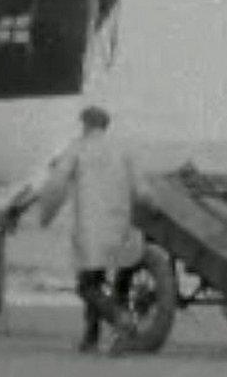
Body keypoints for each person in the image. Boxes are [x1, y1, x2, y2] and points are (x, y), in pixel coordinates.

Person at [34, 106, 144, 355]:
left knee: (87, 286)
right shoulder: (123, 150)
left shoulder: (77, 148)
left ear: (85, 124)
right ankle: (91, 338)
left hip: (92, 228)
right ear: (106, 125)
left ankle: (120, 320)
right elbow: (143, 191)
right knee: (111, 283)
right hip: (122, 228)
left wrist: (46, 215)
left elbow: (57, 184)